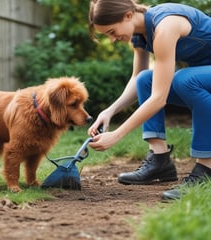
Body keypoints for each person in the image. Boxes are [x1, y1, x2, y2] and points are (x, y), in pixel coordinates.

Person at [87, 0, 211, 200]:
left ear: (128, 15)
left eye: (111, 31)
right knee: (146, 79)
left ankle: (207, 170)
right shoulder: (140, 35)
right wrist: (110, 111)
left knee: (186, 80)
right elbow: (138, 78)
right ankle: (159, 161)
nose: (112, 39)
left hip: (199, 78)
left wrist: (117, 135)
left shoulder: (165, 25)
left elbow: (159, 98)